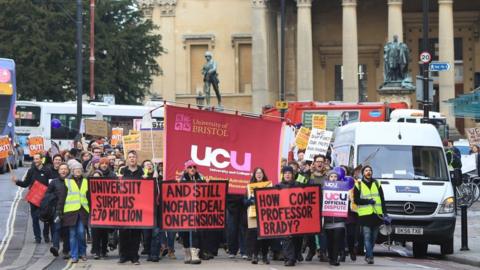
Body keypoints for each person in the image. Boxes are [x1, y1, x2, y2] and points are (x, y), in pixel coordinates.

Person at [13, 153, 53, 243]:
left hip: (44, 198)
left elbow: (51, 184)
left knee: (46, 218)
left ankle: (46, 235)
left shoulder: (47, 170)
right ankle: (37, 237)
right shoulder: (31, 171)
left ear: (41, 159)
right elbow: (25, 183)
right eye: (34, 159)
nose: (36, 161)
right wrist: (17, 181)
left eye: (37, 159)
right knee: (35, 218)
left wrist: (48, 195)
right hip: (33, 198)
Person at [353, 165, 387, 264]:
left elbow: (382, 199)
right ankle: (370, 257)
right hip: (365, 215)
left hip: (377, 214)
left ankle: (368, 254)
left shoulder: (377, 183)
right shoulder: (358, 184)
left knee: (374, 238)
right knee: (367, 236)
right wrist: (368, 201)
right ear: (363, 173)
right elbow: (356, 200)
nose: (369, 172)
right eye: (366, 170)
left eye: (370, 170)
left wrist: (385, 213)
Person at [118, 150, 143, 265]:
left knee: (135, 233)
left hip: (138, 206)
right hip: (124, 206)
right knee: (123, 232)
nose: (132, 159)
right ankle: (123, 256)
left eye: (133, 157)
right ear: (127, 159)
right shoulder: (122, 171)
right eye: (130, 157)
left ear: (136, 158)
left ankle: (134, 257)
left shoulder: (142, 171)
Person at [61, 161, 90, 263]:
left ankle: (83, 253)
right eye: (75, 169)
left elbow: (89, 197)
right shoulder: (67, 181)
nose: (78, 171)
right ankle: (74, 255)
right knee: (73, 235)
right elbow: (63, 198)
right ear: (72, 171)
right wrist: (60, 212)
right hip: (70, 212)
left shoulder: (86, 181)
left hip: (82, 211)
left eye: (79, 169)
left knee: (81, 233)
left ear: (82, 171)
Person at [278, 166, 303, 267]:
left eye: (289, 173)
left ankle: (295, 255)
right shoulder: (278, 186)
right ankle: (289, 258)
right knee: (286, 237)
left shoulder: (298, 185)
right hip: (284, 216)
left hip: (296, 216)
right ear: (283, 175)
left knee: (297, 238)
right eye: (285, 173)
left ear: (292, 175)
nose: (287, 174)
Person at [245, 168, 270, 265]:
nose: (259, 174)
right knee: (254, 235)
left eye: (260, 173)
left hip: (265, 215)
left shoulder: (268, 186)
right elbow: (244, 202)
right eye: (257, 173)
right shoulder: (249, 187)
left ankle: (264, 255)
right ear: (254, 175)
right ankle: (254, 255)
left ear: (263, 174)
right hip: (253, 214)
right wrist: (250, 201)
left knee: (265, 236)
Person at [179, 160, 203, 264]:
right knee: (185, 232)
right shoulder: (182, 178)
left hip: (197, 209)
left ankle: (194, 254)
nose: (192, 169)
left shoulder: (200, 177)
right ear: (186, 169)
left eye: (194, 167)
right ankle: (187, 253)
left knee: (196, 232)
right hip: (185, 209)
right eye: (190, 167)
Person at [323, 170, 346, 266]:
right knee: (330, 241)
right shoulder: (323, 189)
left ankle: (335, 259)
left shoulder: (343, 189)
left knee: (337, 240)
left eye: (335, 177)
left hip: (339, 219)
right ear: (328, 178)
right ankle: (331, 257)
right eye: (331, 176)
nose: (333, 178)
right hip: (328, 219)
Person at [47, 163, 70, 258]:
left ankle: (66, 251)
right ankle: (55, 247)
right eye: (61, 169)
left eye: (65, 169)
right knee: (57, 229)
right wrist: (54, 198)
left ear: (68, 171)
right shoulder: (54, 182)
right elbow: (47, 194)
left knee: (67, 231)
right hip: (57, 210)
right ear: (58, 171)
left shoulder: (71, 182)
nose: (63, 171)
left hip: (69, 210)